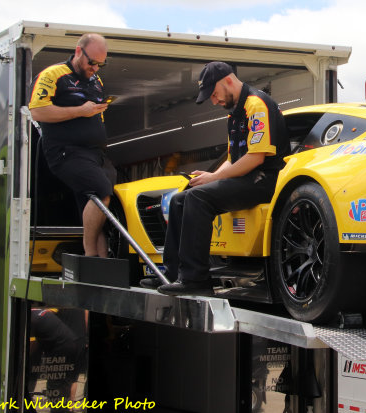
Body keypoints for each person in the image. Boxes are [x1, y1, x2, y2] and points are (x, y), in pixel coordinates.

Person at [147, 61, 290, 296]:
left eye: (213, 93)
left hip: (266, 179)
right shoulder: (234, 114)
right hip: (247, 177)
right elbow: (234, 159)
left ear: (228, 81)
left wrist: (215, 177)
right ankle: (171, 274)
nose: (214, 101)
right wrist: (211, 177)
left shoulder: (256, 104)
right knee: (179, 200)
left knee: (197, 198)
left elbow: (255, 158)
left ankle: (197, 280)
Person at [28, 33, 115, 257]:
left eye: (100, 64)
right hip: (67, 152)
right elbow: (37, 111)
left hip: (95, 153)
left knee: (99, 203)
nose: (95, 68)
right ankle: (89, 255)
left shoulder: (97, 81)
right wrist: (80, 111)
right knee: (101, 191)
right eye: (92, 62)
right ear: (78, 51)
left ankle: (102, 263)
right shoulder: (53, 74)